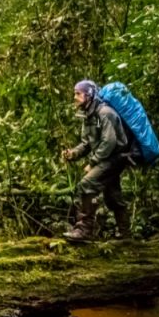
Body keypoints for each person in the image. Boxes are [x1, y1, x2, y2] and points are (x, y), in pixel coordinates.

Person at [61, 80, 141, 241]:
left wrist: (93, 162)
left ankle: (84, 230)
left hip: (116, 157)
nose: (74, 97)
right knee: (112, 195)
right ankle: (125, 234)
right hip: (107, 158)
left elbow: (109, 142)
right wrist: (73, 154)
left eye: (78, 93)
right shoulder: (88, 115)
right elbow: (86, 143)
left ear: (88, 94)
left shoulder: (105, 113)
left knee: (86, 185)